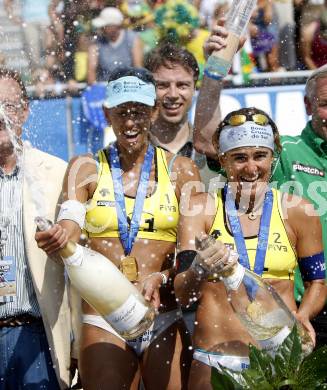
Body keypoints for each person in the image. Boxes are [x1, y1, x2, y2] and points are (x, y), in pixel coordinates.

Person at [36, 66, 200, 389]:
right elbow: (69, 225)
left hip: (161, 313)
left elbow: (191, 255)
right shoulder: (84, 168)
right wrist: (58, 240)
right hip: (104, 316)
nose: (129, 123)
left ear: (153, 112)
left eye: (138, 112)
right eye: (122, 112)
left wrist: (164, 276)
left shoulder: (182, 170)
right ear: (107, 113)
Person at [174, 106, 327, 389]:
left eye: (260, 156)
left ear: (273, 156)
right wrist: (199, 268)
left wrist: (304, 314)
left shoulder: (299, 211)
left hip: (280, 359)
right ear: (223, 160)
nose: (251, 168)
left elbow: (317, 282)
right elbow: (183, 294)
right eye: (239, 158)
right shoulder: (200, 208)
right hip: (217, 360)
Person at [0, 68, 73, 388]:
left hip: (35, 335)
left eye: (9, 106)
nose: (1, 115)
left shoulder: (56, 173)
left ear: (26, 111)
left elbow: (78, 262)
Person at [271, 64, 327, 347]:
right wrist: (218, 64)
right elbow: (210, 146)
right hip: (305, 309)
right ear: (308, 105)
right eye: (326, 104)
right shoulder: (286, 153)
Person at [145, 42, 219, 192]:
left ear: (194, 88)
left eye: (182, 85)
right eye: (162, 86)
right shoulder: (133, 149)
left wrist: (217, 62)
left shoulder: (209, 150)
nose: (173, 94)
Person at [87, 7, 143, 84]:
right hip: (104, 86)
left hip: (127, 85)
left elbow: (138, 67)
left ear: (114, 26)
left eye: (104, 26)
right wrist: (94, 88)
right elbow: (91, 69)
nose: (101, 28)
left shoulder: (132, 38)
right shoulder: (97, 42)